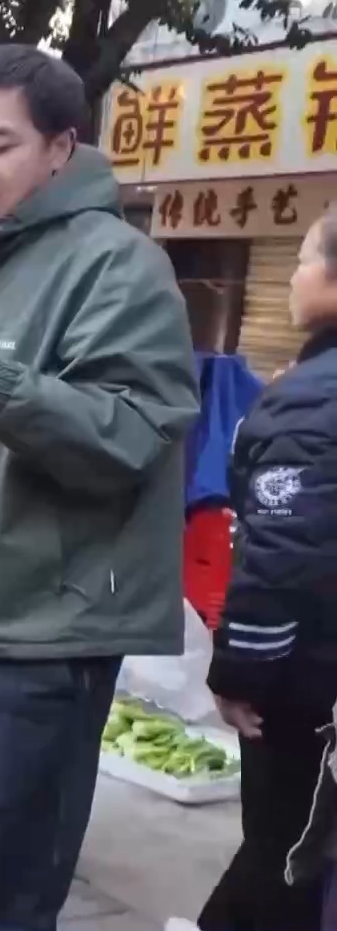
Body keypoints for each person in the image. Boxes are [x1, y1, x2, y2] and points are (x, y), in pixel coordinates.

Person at [0, 45, 199, 931]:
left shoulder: (117, 267)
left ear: (60, 148)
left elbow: (129, 433)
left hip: (37, 641)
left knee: (0, 899)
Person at [198, 215, 337, 931]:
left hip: (309, 687)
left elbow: (281, 554)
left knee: (285, 854)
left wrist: (239, 672)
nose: (291, 275)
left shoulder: (313, 398)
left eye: (304, 258)